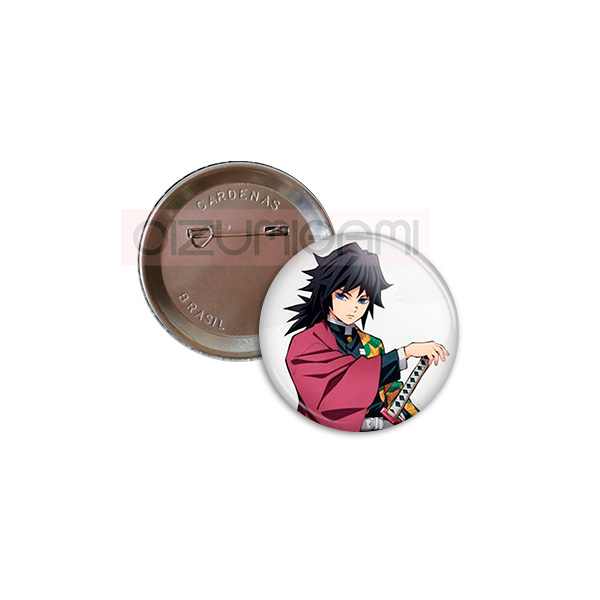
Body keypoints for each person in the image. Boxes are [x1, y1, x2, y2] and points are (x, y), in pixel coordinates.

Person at [285, 242, 448, 432]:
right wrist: (404, 353)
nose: (353, 307)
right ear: (326, 293)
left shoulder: (373, 344)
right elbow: (334, 394)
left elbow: (392, 391)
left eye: (362, 300)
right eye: (343, 296)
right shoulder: (304, 343)